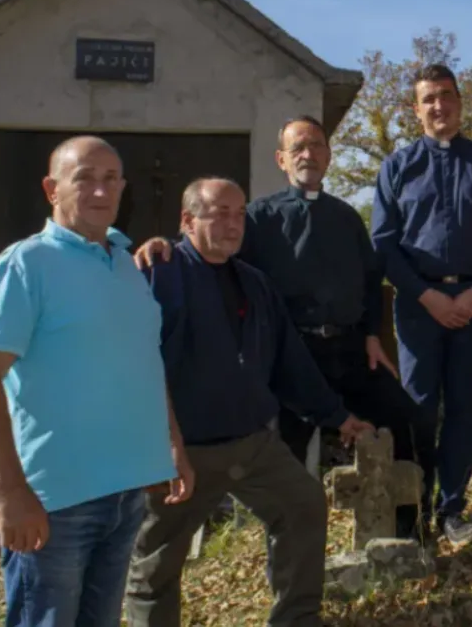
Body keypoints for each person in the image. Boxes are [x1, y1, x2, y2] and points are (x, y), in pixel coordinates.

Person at [132, 116, 426, 540]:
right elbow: (213, 247)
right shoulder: (256, 216)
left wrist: (371, 335)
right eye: (298, 148)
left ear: (328, 154)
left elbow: (368, 281)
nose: (309, 154)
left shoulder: (346, 217)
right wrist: (165, 247)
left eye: (317, 146)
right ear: (282, 159)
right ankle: (277, 546)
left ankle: (408, 530)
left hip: (349, 350)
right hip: (288, 358)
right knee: (283, 464)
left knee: (406, 421)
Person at [0, 136, 191, 627]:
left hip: (127, 494)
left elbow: (143, 362)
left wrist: (171, 443)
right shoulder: (25, 265)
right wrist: (6, 493)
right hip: (54, 505)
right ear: (52, 189)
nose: (100, 190)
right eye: (83, 177)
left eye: (111, 179)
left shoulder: (127, 267)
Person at [125, 178, 374, 627]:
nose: (233, 223)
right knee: (157, 564)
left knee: (302, 505)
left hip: (254, 444)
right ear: (187, 220)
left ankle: (296, 619)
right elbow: (131, 360)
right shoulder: (158, 274)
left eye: (240, 214)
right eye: (219, 212)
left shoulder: (256, 284)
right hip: (185, 453)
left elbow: (290, 363)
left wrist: (337, 416)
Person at [373, 63, 472, 544]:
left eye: (447, 96)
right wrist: (428, 295)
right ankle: (412, 511)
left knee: (463, 408)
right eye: (429, 98)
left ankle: (452, 507)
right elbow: (384, 245)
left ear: (460, 101)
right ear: (417, 110)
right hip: (418, 305)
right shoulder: (397, 167)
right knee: (418, 409)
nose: (439, 105)